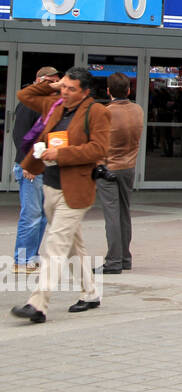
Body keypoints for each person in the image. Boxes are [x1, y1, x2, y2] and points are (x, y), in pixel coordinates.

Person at [10, 67, 112, 325]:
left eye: (71, 89)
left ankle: (38, 304)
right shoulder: (56, 104)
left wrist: (61, 155)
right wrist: (53, 87)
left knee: (55, 245)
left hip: (76, 189)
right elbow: (24, 95)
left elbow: (99, 149)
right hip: (51, 185)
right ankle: (90, 293)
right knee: (73, 244)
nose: (65, 92)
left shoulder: (96, 112)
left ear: (86, 92)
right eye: (64, 87)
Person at [11, 66, 59, 273]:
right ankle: (22, 259)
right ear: (39, 81)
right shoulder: (28, 103)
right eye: (51, 81)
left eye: (57, 81)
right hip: (31, 167)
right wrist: (28, 165)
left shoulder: (47, 103)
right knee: (31, 215)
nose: (54, 86)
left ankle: (32, 255)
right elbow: (20, 136)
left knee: (40, 216)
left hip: (43, 166)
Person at [96, 72, 144, 275]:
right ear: (129, 90)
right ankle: (125, 257)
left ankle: (113, 261)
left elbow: (98, 142)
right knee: (124, 212)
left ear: (108, 91)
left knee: (112, 216)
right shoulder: (137, 110)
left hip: (109, 168)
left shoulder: (105, 112)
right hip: (128, 166)